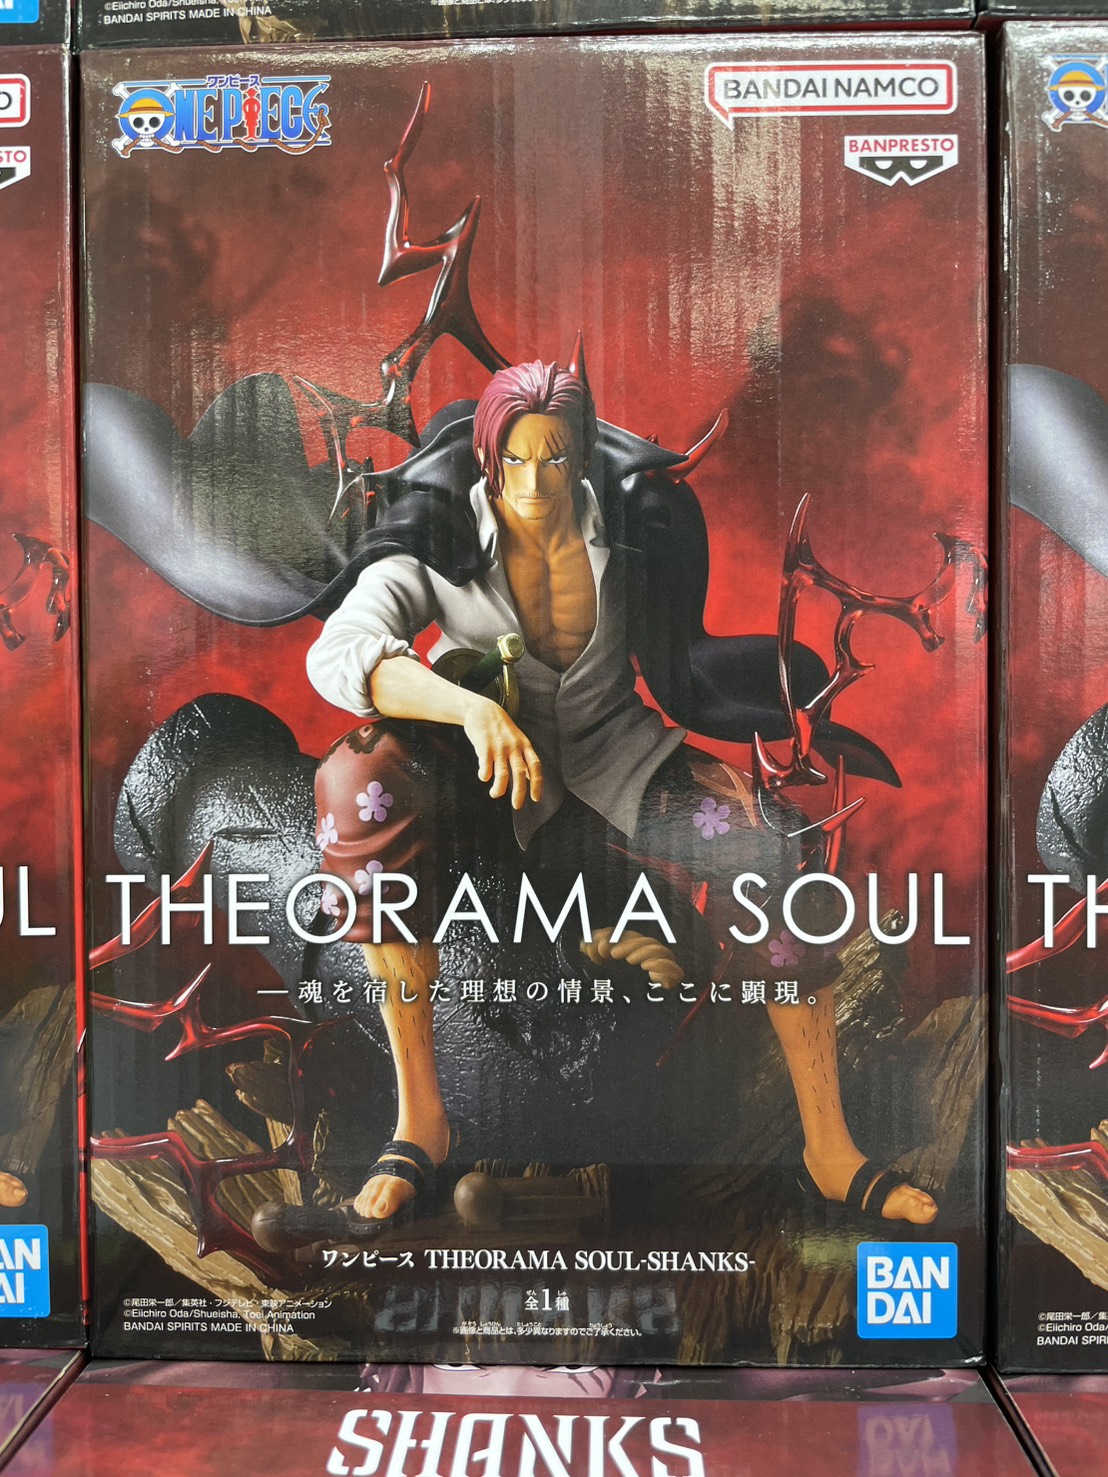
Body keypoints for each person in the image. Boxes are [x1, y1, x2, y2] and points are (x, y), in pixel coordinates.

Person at [306, 359, 938, 1229]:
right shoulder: (442, 526)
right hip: (484, 763)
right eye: (516, 461)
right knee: (357, 781)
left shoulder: (640, 521)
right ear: (488, 458)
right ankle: (420, 1123)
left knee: (772, 848)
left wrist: (779, 700)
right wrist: (470, 710)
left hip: (618, 749)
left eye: (554, 460)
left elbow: (687, 657)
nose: (535, 483)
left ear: (581, 454)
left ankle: (829, 1148)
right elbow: (339, 652)